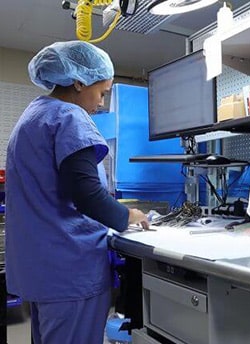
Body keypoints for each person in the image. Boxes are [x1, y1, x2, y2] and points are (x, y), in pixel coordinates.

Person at [5, 40, 149, 344]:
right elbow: (86, 195)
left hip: (43, 270)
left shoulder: (33, 116)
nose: (100, 104)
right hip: (68, 271)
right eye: (101, 93)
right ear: (79, 81)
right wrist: (129, 216)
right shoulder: (69, 117)